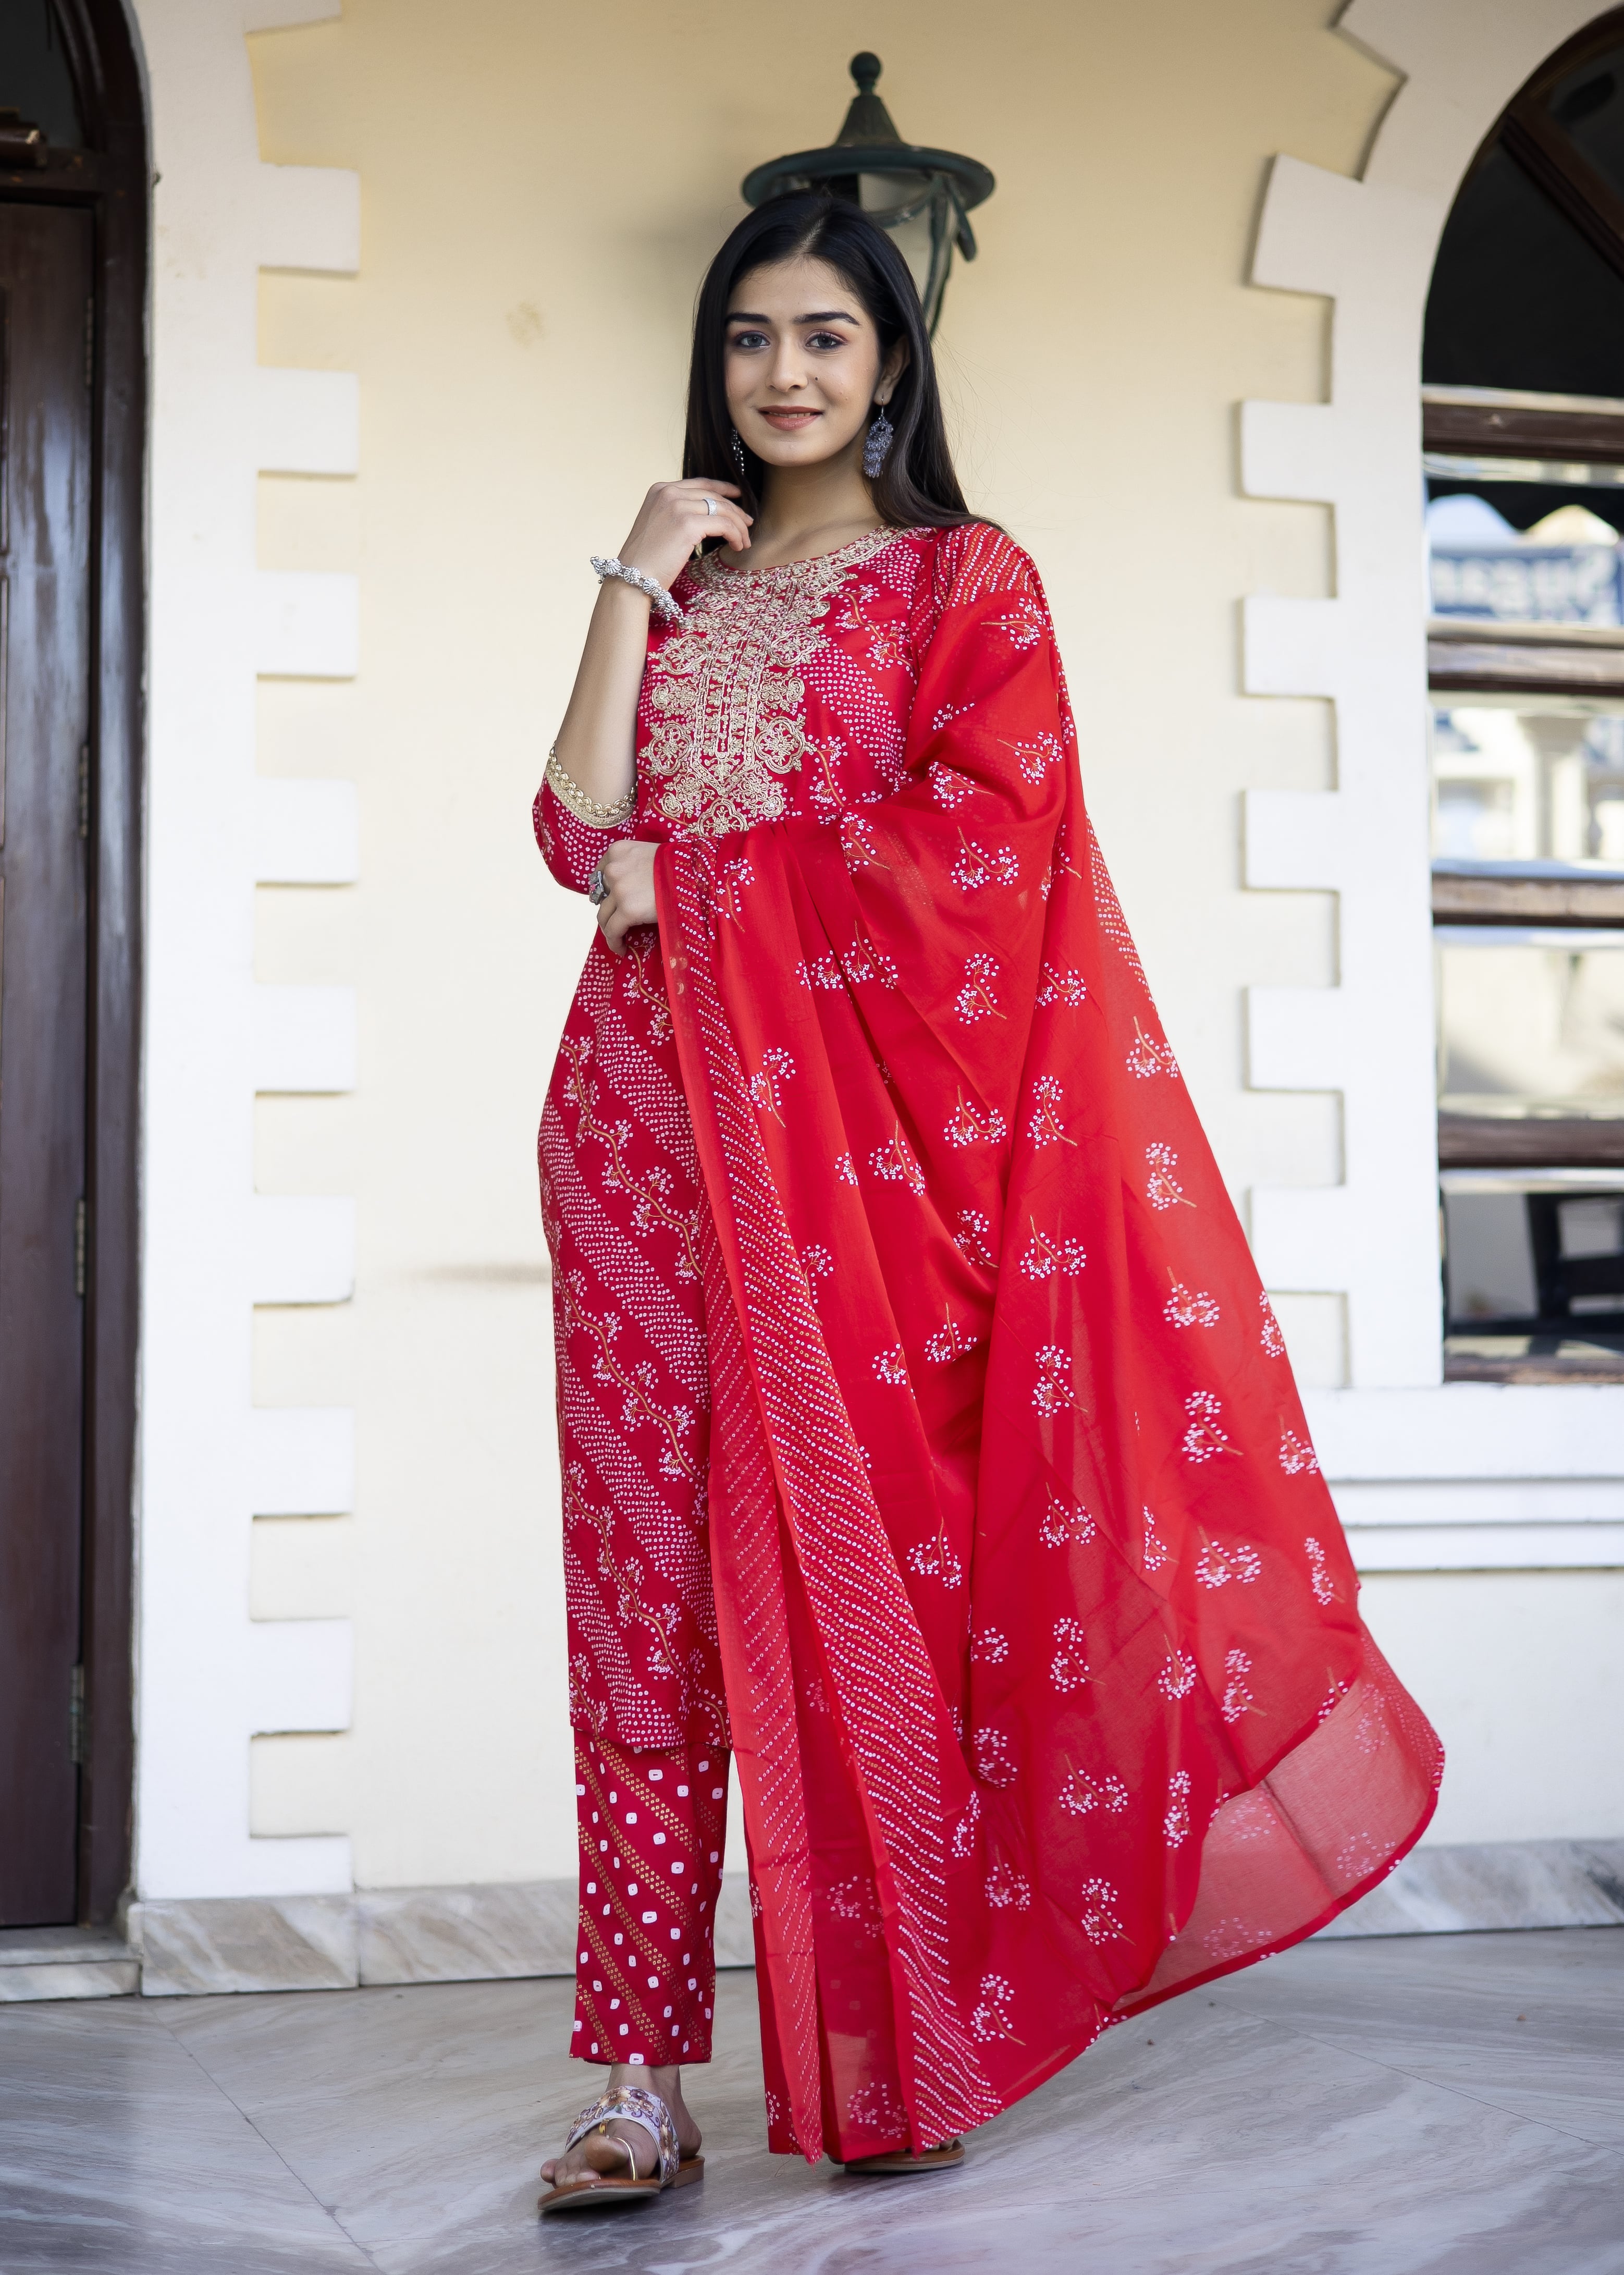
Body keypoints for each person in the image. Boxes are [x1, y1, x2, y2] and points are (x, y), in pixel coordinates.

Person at [532, 190, 1441, 2215]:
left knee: (889, 1589)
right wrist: (627, 577)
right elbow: (569, 822)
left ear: (888, 363)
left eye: (824, 338)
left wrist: (719, 888)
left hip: (857, 1175)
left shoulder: (961, 576)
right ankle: (632, 2083)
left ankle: (902, 2048)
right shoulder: (680, 578)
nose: (784, 371)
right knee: (639, 1617)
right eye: (751, 336)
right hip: (637, 1148)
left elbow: (991, 835)